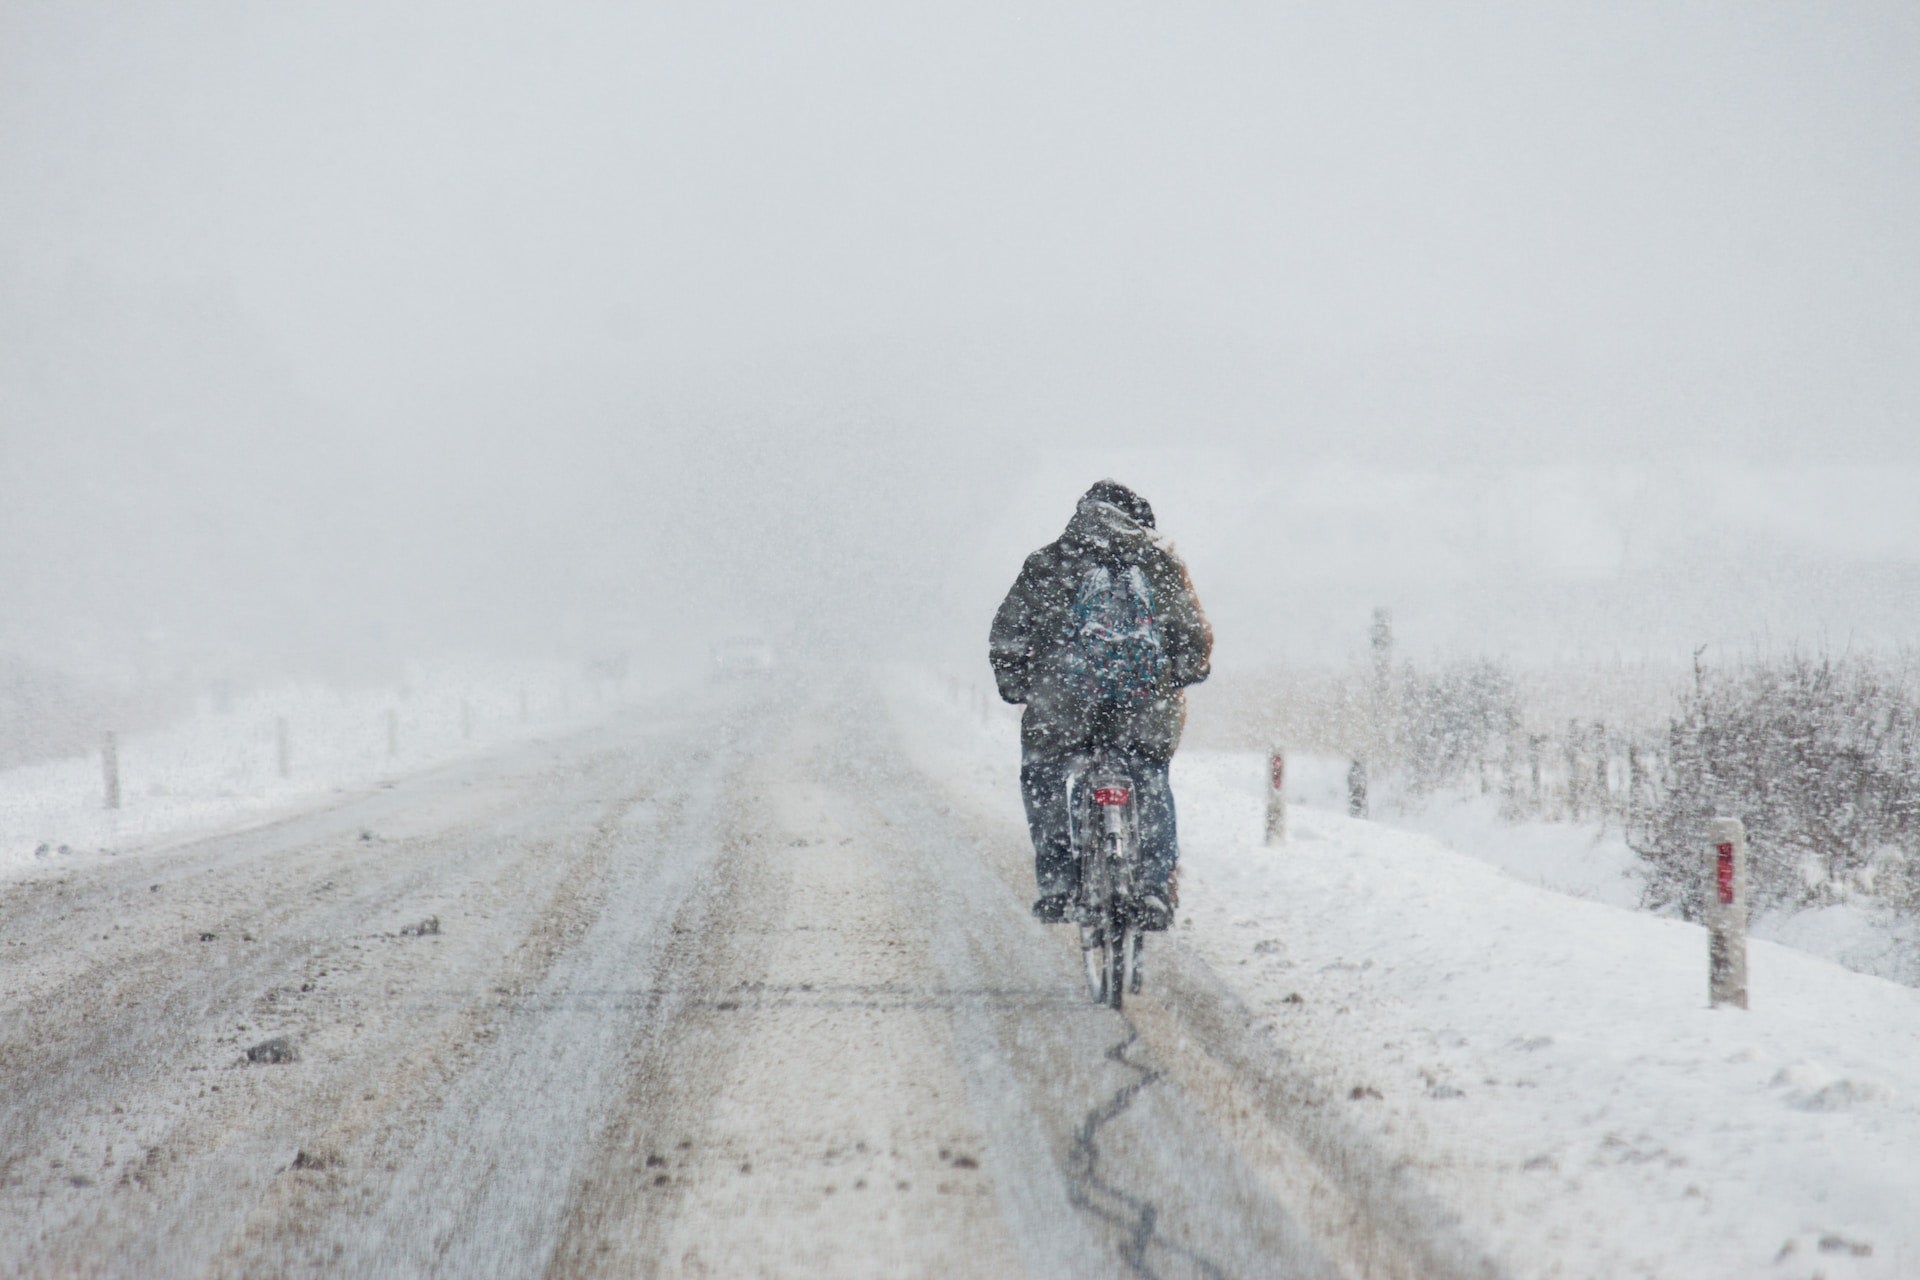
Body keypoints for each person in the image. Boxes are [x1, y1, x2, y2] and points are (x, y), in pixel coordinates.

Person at [989, 480, 1212, 929]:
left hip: (1062, 710)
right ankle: (1152, 889)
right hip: (1142, 709)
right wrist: (1185, 672)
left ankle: (1056, 885)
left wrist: (1015, 683)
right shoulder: (1159, 565)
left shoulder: (1049, 563)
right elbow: (1192, 637)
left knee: (1043, 776)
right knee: (1149, 777)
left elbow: (1009, 633)